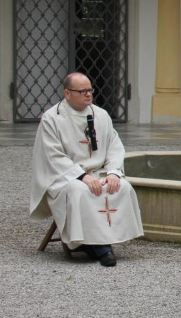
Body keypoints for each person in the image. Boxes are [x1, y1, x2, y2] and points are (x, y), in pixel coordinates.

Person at [30, 72, 144, 266]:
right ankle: (101, 248)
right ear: (67, 93)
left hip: (98, 171)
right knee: (80, 191)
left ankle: (93, 243)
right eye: (82, 91)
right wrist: (81, 176)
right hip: (65, 176)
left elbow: (114, 146)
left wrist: (113, 172)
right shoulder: (52, 118)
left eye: (90, 90)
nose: (88, 94)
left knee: (122, 187)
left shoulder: (100, 115)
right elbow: (53, 156)